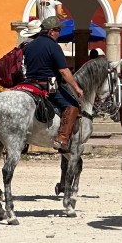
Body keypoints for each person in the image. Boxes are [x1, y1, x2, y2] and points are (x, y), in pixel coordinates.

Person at [21, 15, 85, 153]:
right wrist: (77, 88)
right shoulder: (53, 46)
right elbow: (63, 71)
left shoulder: (29, 45)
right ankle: (62, 138)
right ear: (51, 31)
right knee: (72, 106)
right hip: (48, 83)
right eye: (58, 30)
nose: (59, 33)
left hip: (28, 84)